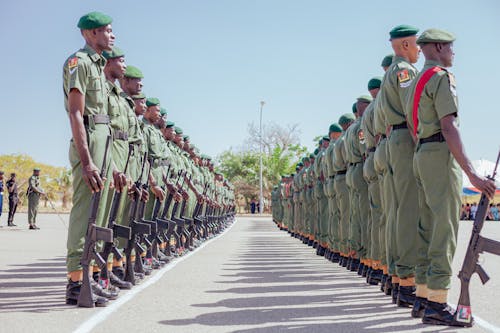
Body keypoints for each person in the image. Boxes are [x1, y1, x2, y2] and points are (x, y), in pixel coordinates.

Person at [407, 28, 496, 326]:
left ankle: (422, 297)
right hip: (439, 155)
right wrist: (472, 174)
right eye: (450, 47)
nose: (453, 52)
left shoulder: (416, 82)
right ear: (437, 47)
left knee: (426, 229)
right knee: (444, 232)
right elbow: (449, 126)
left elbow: (412, 125)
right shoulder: (441, 77)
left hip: (421, 154)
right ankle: (437, 304)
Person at [63, 11, 117, 307]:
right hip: (90, 137)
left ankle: (91, 277)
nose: (113, 35)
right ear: (90, 34)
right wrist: (86, 161)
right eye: (107, 31)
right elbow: (75, 112)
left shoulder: (98, 68)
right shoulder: (79, 63)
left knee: (101, 212)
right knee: (86, 210)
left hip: (104, 138)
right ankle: (75, 281)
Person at [378, 24, 421, 308]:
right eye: (416, 44)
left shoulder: (390, 74)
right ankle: (406, 279)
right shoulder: (404, 71)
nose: (419, 49)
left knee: (396, 211)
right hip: (406, 139)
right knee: (408, 210)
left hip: (394, 140)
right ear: (405, 45)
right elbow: (413, 109)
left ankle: (396, 276)